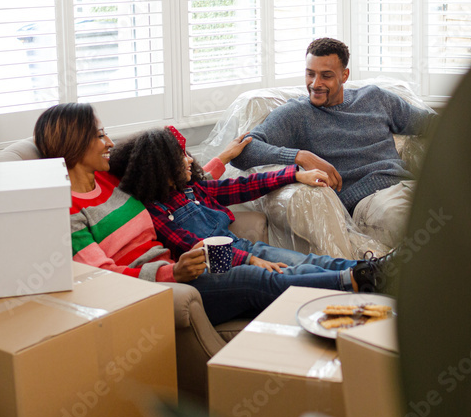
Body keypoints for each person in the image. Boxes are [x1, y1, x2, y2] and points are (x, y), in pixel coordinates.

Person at [34, 103, 393, 325]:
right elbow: (103, 278)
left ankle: (377, 270)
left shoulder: (111, 178)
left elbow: (179, 175)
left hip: (189, 265)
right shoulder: (65, 210)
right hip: (160, 287)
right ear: (74, 143)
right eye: (99, 135)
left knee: (299, 262)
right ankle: (359, 281)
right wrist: (173, 270)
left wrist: (224, 158)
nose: (109, 142)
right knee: (259, 278)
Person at [231, 37, 437, 248]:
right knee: (418, 224)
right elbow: (242, 152)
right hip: (370, 202)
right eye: (310, 73)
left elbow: (431, 124)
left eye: (326, 76)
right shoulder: (297, 114)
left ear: (344, 75)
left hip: (407, 185)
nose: (315, 84)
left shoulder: (375, 98)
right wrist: (300, 156)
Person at [108, 125, 386, 278]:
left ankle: (373, 271)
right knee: (298, 271)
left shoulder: (193, 189)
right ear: (160, 169)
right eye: (180, 157)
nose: (190, 159)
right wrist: (250, 259)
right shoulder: (157, 213)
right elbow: (192, 248)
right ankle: (362, 280)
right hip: (228, 264)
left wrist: (295, 174)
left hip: (245, 249)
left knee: (309, 260)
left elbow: (244, 186)